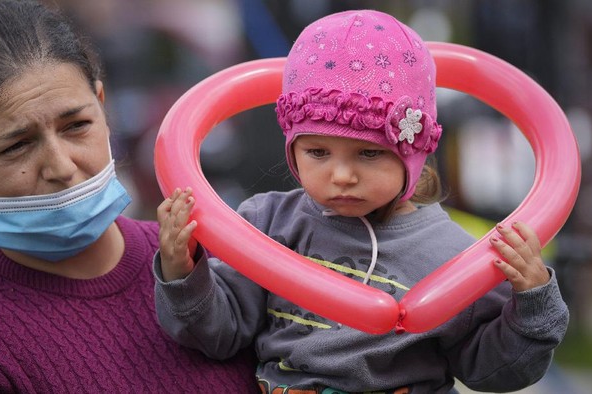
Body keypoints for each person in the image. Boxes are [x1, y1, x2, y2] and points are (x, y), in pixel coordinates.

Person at [154, 9, 569, 394]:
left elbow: (491, 369)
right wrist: (182, 272)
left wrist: (533, 303)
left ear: (412, 153)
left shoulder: (454, 254)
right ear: (293, 148)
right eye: (317, 152)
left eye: (369, 154)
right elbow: (220, 335)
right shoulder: (266, 223)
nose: (341, 176)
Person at [0, 1, 258, 392]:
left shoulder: (210, 262)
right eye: (17, 147)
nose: (60, 165)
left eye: (76, 126)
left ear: (103, 107)